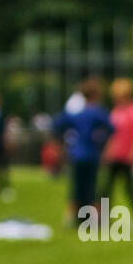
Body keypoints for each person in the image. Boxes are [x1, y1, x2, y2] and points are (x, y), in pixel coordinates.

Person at [53, 78, 113, 227]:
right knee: (91, 188)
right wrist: (102, 142)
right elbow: (111, 129)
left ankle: (70, 217)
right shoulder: (98, 113)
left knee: (76, 187)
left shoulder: (77, 114)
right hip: (91, 154)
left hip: (76, 154)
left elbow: (58, 124)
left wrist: (62, 145)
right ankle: (95, 219)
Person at [101, 78, 133, 210]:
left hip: (127, 157)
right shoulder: (116, 111)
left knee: (130, 189)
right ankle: (102, 218)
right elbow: (112, 135)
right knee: (106, 188)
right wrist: (107, 152)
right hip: (114, 156)